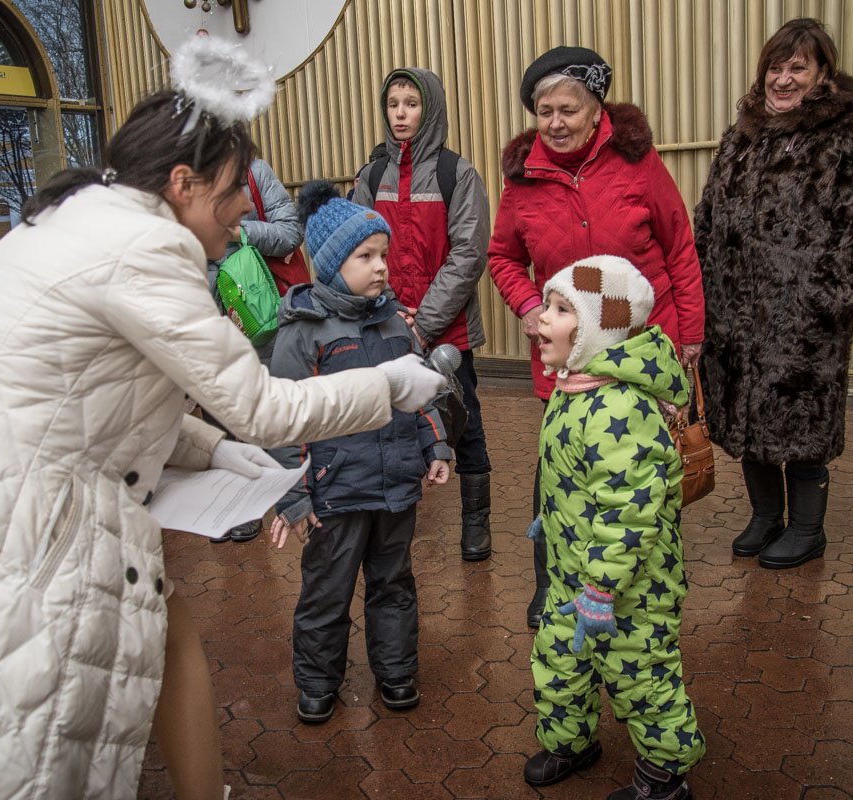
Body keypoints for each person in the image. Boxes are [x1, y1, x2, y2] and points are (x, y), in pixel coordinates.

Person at [0, 37, 446, 800]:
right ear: (183, 183)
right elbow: (261, 405)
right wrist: (387, 385)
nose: (240, 220)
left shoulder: (74, 221)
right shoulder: (144, 246)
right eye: (232, 199)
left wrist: (213, 454)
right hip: (1, 521)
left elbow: (98, 394)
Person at [488, 46, 705, 628]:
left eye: (567, 109)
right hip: (566, 355)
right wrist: (530, 306)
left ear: (595, 110)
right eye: (543, 110)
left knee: (644, 470)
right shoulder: (524, 179)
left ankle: (646, 586)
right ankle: (552, 583)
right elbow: (503, 256)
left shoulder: (638, 163)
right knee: (560, 470)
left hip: (640, 349)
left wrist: (690, 335)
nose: (555, 123)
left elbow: (679, 247)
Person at [694, 18, 853, 569]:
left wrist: (827, 294)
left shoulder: (851, 135)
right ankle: (765, 517)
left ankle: (808, 529)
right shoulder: (741, 134)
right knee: (745, 416)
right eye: (775, 69)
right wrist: (705, 279)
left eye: (796, 68)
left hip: (804, 320)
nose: (783, 80)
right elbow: (708, 215)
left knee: (800, 422)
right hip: (734, 313)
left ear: (822, 74)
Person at [268, 181, 452, 725]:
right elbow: (284, 419)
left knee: (393, 586)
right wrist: (296, 496)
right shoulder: (305, 334)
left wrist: (434, 442)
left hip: (396, 487)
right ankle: (319, 682)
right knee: (327, 592)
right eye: (364, 256)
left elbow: (416, 390)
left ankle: (395, 673)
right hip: (336, 494)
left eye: (383, 256)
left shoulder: (395, 323)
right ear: (329, 265)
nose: (380, 268)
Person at [523, 255, 705, 798]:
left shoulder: (620, 405)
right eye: (547, 306)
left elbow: (631, 506)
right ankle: (573, 740)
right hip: (571, 570)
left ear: (599, 330)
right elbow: (577, 474)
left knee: (640, 674)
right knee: (558, 658)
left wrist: (602, 587)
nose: (541, 320)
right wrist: (550, 515)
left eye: (559, 310)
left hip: (629, 587)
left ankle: (667, 773)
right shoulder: (574, 386)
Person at [350, 67, 494, 563]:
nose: (401, 114)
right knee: (390, 425)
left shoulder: (458, 173)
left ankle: (476, 522)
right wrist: (391, 311)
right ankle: (394, 523)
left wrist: (424, 321)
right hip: (388, 324)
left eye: (411, 103)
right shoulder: (370, 177)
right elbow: (359, 251)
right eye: (393, 104)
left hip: (446, 329)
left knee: (465, 423)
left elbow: (468, 255)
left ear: (429, 108)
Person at [206, 156, 305, 544]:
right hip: (204, 313)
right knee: (218, 413)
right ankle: (231, 503)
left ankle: (265, 500)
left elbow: (289, 233)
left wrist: (238, 232)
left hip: (256, 314)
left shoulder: (253, 171)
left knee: (260, 408)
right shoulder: (177, 178)